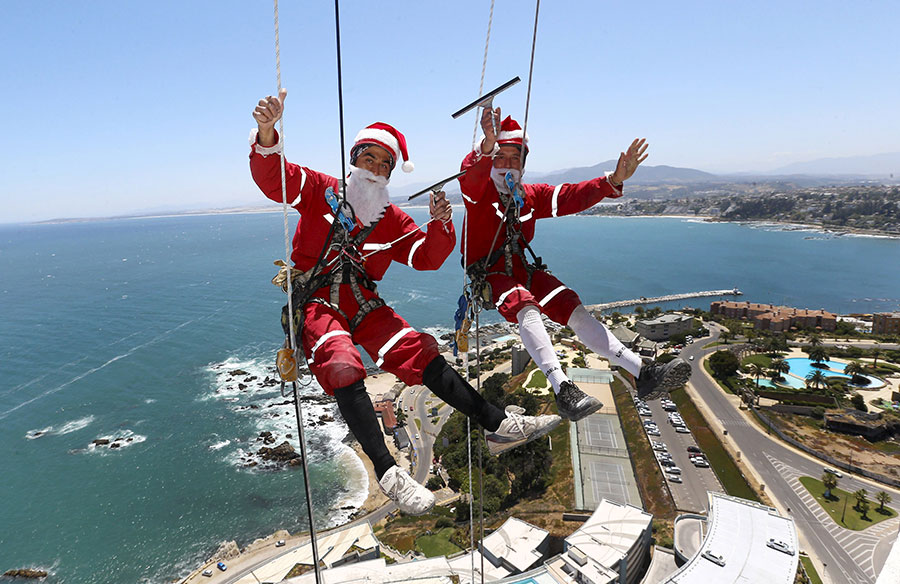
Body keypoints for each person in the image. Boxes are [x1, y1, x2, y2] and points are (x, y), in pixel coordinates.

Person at [249, 90, 561, 516]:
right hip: (318, 302)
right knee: (342, 363)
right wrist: (268, 133)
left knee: (420, 352)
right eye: (369, 159)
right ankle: (387, 471)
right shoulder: (320, 191)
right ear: (354, 159)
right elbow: (274, 178)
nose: (376, 169)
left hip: (362, 302)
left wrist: (441, 225)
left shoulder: (390, 217)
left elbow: (426, 257)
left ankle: (499, 425)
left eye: (385, 164)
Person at [457, 106, 691, 419]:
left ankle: (642, 372)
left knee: (572, 307)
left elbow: (570, 196)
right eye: (500, 157)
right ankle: (562, 389)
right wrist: (486, 144)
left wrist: (613, 179)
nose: (508, 164)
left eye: (515, 157)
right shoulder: (480, 193)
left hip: (523, 270)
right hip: (490, 273)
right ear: (490, 161)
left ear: (524, 164)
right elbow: (469, 176)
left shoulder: (527, 195)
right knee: (524, 305)